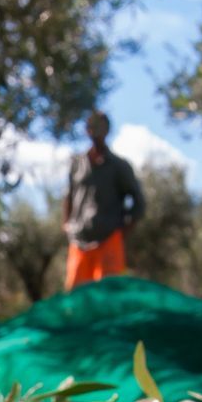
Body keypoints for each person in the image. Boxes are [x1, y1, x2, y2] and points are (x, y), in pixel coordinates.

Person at [61, 110, 144, 291]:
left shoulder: (119, 166)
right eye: (91, 125)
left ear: (107, 130)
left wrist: (121, 232)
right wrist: (67, 224)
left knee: (109, 297)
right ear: (86, 130)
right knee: (74, 299)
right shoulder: (76, 164)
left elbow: (139, 202)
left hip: (109, 239)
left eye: (100, 125)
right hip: (79, 239)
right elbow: (68, 196)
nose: (95, 129)